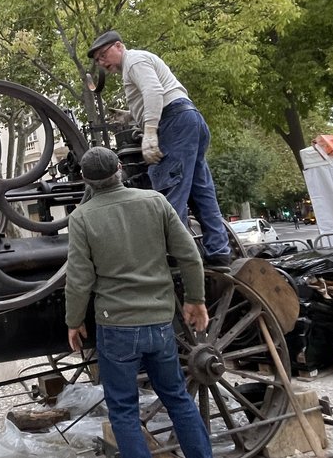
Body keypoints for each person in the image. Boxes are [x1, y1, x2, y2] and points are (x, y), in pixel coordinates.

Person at [65, 147, 213, 458]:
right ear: (120, 168)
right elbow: (189, 255)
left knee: (123, 411)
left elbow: (79, 279)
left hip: (116, 326)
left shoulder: (80, 218)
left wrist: (73, 321)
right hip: (160, 323)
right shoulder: (155, 202)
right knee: (177, 399)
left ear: (84, 180)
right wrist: (196, 300)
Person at [88, 30, 232, 267]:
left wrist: (151, 131)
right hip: (189, 119)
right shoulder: (138, 61)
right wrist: (130, 116)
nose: (103, 63)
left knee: (168, 187)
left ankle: (178, 256)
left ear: (119, 46)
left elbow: (154, 92)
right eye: (98, 61)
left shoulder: (133, 60)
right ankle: (218, 252)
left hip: (173, 122)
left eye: (104, 55)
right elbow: (160, 93)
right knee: (200, 191)